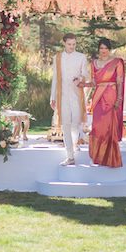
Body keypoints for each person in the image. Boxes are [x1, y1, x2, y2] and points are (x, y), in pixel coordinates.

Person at [81, 37, 124, 168]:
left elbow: (119, 82)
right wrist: (83, 84)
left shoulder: (117, 62)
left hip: (111, 96)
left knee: (108, 127)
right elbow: (94, 82)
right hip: (98, 97)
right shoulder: (94, 63)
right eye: (101, 48)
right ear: (98, 49)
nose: (103, 50)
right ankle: (98, 157)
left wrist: (119, 98)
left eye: (105, 48)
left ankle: (110, 158)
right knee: (97, 126)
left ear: (109, 49)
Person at [49, 32, 90, 166]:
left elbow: (86, 75)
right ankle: (70, 156)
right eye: (69, 44)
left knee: (75, 123)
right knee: (65, 124)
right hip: (63, 95)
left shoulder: (81, 57)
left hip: (77, 94)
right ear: (64, 43)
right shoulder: (58, 58)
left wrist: (80, 78)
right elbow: (55, 78)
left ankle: (74, 144)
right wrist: (53, 97)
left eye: (74, 44)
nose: (72, 46)